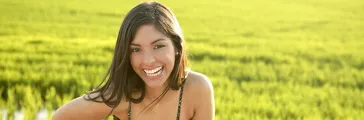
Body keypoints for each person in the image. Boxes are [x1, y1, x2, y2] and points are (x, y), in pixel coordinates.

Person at [53, 1, 214, 120]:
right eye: (136, 49)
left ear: (177, 47)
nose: (149, 60)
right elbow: (61, 117)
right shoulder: (121, 97)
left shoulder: (198, 89)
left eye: (158, 46)